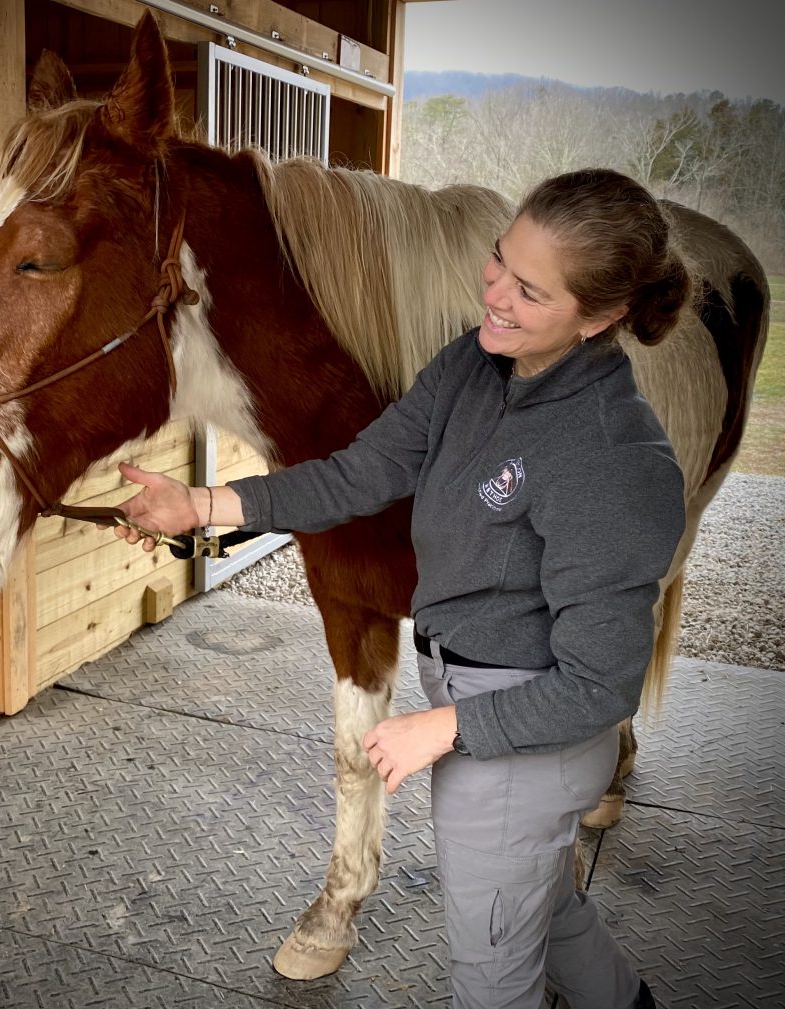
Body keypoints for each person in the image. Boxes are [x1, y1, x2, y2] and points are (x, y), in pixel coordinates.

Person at [113, 168, 688, 1009]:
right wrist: (198, 504)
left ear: (599, 318)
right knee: (546, 906)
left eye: (529, 290)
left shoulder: (610, 455)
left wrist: (445, 727)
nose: (494, 292)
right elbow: (360, 472)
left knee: (491, 977)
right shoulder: (477, 362)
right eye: (500, 260)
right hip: (480, 708)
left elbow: (600, 685)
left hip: (523, 740)